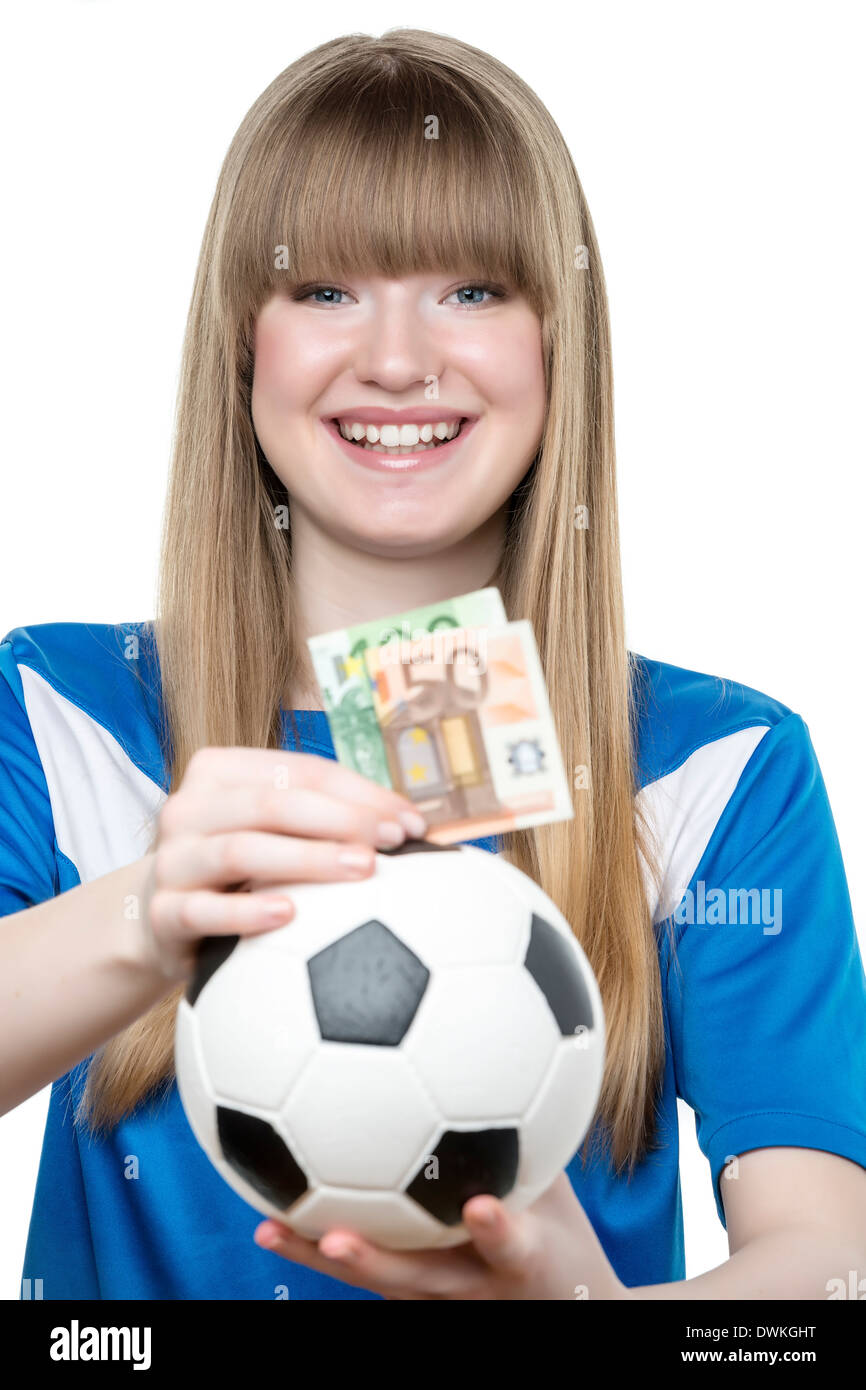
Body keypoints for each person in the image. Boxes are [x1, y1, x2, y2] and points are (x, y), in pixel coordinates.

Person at [4, 28, 865, 1302]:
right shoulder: (62, 708)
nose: (399, 359)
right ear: (244, 339)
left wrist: (596, 1323)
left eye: (470, 290)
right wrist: (150, 913)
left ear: (554, 341)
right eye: (325, 289)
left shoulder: (715, 763)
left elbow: (829, 1262)